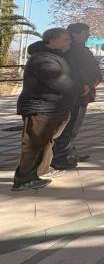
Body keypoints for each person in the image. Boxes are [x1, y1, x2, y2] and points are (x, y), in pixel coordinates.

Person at [13, 29, 76, 190]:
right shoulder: (43, 58)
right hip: (40, 108)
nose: (68, 42)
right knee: (33, 144)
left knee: (43, 143)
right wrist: (76, 90)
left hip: (51, 107)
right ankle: (24, 179)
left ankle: (35, 174)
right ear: (52, 41)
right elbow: (56, 80)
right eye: (65, 39)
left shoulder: (54, 56)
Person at [50, 23, 98, 170]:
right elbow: (74, 71)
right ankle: (60, 157)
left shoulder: (79, 49)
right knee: (69, 126)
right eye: (85, 33)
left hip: (82, 92)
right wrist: (86, 83)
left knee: (74, 125)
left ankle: (68, 152)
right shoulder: (70, 51)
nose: (88, 35)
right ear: (74, 34)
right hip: (75, 93)